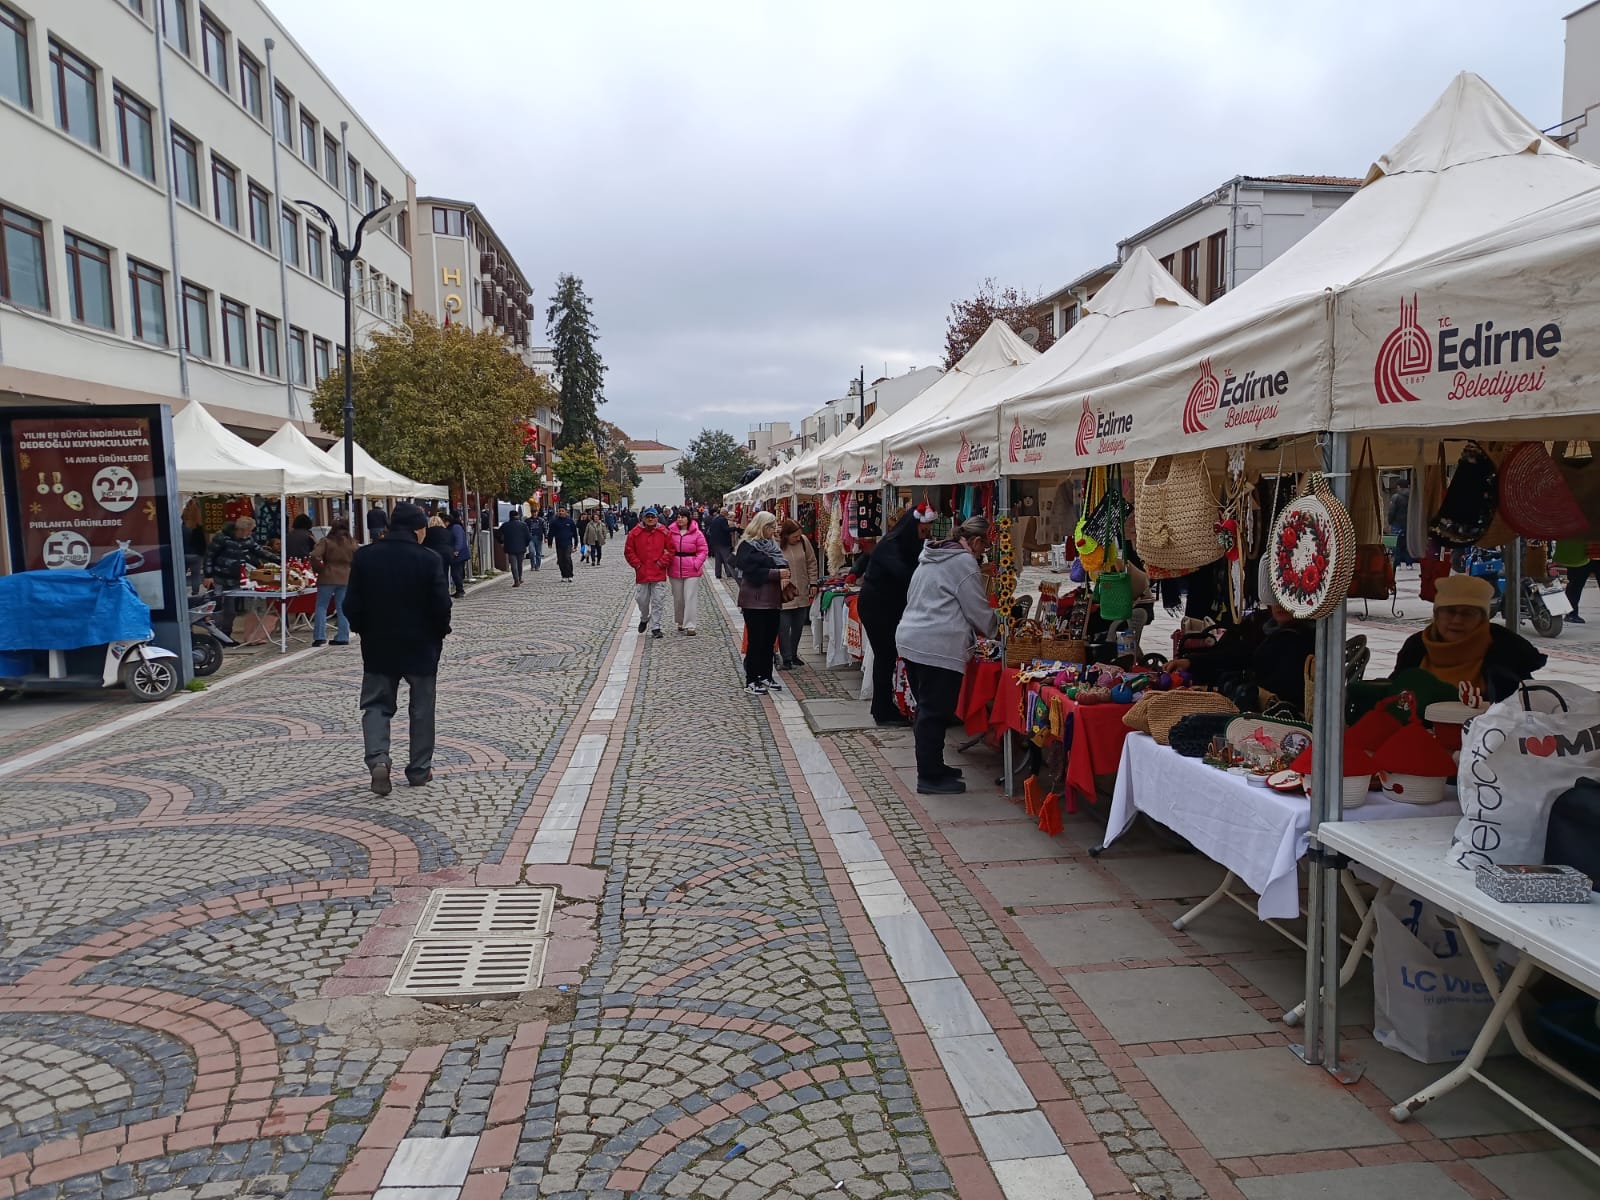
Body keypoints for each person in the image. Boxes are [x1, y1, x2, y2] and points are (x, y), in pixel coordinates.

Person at [343, 503, 453, 795]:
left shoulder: (365, 557)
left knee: (376, 705)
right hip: (422, 646)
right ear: (419, 529)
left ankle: (378, 758)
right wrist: (439, 632)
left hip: (378, 646)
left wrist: (363, 628)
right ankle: (419, 770)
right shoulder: (428, 559)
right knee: (422, 708)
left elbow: (350, 604)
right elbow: (442, 604)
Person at [896, 515, 997, 794]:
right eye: (982, 549)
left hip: (913, 637)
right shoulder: (963, 562)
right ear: (975, 541)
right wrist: (996, 629)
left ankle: (935, 766)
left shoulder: (931, 556)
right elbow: (976, 608)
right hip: (936, 643)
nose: (980, 556)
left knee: (930, 710)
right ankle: (928, 777)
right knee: (933, 712)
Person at [1394, 574, 1545, 701]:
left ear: (1482, 619)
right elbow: (1393, 693)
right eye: (1450, 611)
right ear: (1437, 615)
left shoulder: (1507, 653)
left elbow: (1523, 707)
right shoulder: (1416, 648)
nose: (1457, 620)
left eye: (1468, 613)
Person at [857, 506, 934, 726]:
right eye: (923, 530)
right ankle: (882, 709)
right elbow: (906, 575)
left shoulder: (907, 544)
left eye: (928, 530)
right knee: (885, 657)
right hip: (877, 607)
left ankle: (885, 706)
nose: (925, 535)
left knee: (888, 657)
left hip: (891, 606)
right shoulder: (890, 545)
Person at [734, 510, 790, 694]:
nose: (774, 530)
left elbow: (782, 564)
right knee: (756, 641)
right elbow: (753, 573)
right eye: (771, 526)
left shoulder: (772, 545)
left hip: (772, 600)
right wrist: (776, 573)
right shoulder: (747, 546)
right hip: (754, 601)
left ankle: (766, 675)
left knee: (769, 641)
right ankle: (751, 679)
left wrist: (778, 570)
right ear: (762, 527)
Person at [203, 515, 273, 637]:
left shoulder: (247, 540)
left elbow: (260, 551)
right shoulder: (222, 538)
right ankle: (215, 636)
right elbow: (209, 556)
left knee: (231, 610)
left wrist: (279, 559)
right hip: (219, 577)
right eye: (249, 530)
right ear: (241, 530)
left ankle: (226, 635)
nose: (250, 533)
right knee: (217, 607)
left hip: (235, 578)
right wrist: (208, 575)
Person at [625, 507, 672, 637]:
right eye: (648, 517)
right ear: (643, 518)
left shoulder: (664, 532)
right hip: (643, 572)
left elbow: (670, 550)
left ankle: (655, 627)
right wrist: (637, 565)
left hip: (658, 572)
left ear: (657, 518)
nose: (650, 519)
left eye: (653, 517)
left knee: (658, 600)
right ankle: (644, 617)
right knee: (642, 600)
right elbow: (629, 551)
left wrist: (662, 562)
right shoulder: (635, 533)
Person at [778, 519, 819, 668]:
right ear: (786, 535)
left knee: (798, 626)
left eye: (798, 535)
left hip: (801, 590)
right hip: (784, 593)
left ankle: (794, 654)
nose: (797, 538)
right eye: (794, 536)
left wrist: (813, 582)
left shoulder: (803, 541)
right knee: (783, 627)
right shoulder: (777, 545)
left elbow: (811, 562)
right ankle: (786, 657)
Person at [309, 518, 357, 645]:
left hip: (328, 575)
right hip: (346, 577)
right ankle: (343, 636)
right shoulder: (352, 543)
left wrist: (319, 569)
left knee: (321, 606)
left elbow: (314, 555)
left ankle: (319, 637)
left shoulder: (326, 541)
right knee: (342, 608)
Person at [666, 507, 709, 634]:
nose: (680, 519)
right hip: (675, 567)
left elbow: (703, 550)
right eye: (678, 517)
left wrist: (696, 563)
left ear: (688, 518)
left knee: (690, 596)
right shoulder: (670, 532)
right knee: (678, 597)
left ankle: (690, 624)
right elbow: (666, 547)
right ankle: (680, 621)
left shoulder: (697, 533)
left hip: (691, 568)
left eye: (683, 517)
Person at [499, 510, 531, 587]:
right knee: (520, 564)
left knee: (513, 564)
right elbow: (528, 537)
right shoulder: (523, 525)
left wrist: (502, 542)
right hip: (521, 547)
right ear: (518, 516)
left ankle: (516, 580)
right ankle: (519, 578)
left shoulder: (505, 525)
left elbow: (498, 534)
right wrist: (525, 544)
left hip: (510, 548)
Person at [548, 505, 579, 581]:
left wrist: (575, 544)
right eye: (559, 511)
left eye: (562, 511)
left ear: (566, 512)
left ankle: (570, 574)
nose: (561, 512)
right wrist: (550, 542)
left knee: (567, 558)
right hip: (559, 543)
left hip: (568, 543)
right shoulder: (554, 522)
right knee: (561, 560)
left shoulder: (570, 521)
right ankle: (564, 575)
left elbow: (575, 533)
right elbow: (551, 532)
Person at [1387, 483, 1414, 568]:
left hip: (1397, 524)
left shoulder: (1396, 497)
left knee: (1396, 546)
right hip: (1410, 525)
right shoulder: (1413, 497)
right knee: (1408, 545)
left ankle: (1397, 565)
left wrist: (1390, 522)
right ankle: (1410, 564)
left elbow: (1391, 511)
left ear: (1399, 487)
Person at [707, 507, 736, 580]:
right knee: (726, 559)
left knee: (718, 560)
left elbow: (710, 530)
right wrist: (734, 528)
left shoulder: (715, 519)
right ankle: (729, 573)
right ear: (724, 513)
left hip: (715, 543)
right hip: (723, 543)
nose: (727, 514)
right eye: (727, 513)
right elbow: (726, 529)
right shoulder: (723, 519)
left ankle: (718, 574)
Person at [447, 512, 470, 597]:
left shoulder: (456, 527)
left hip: (459, 554)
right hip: (460, 553)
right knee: (458, 572)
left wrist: (456, 550)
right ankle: (459, 589)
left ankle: (460, 590)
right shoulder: (456, 526)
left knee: (456, 572)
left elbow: (459, 540)